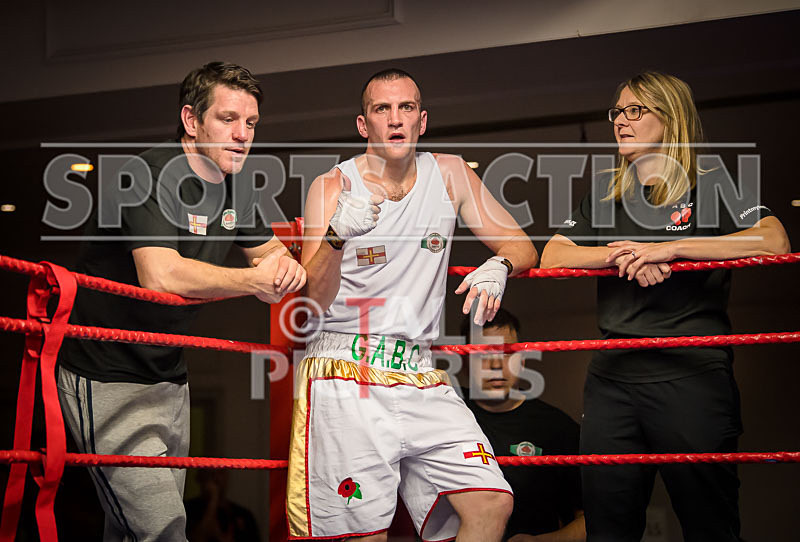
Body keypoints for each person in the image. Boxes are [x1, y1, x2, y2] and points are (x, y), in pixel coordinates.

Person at [57, 62, 306, 542]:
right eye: (228, 119)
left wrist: (286, 265)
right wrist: (254, 279)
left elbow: (272, 255)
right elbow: (161, 275)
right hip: (104, 370)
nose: (242, 135)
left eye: (251, 123)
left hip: (169, 374)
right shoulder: (146, 175)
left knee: (132, 531)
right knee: (162, 529)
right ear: (191, 120)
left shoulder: (238, 186)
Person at [287, 68, 538, 541]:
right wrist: (337, 236)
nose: (395, 119)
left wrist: (500, 265)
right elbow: (311, 304)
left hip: (420, 371)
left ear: (422, 120)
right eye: (382, 109)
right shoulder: (332, 187)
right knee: (364, 535)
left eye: (406, 108)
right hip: (346, 368)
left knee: (491, 502)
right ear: (363, 124)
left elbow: (522, 245)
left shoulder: (451, 174)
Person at [540, 71, 790, 542]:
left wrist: (672, 250)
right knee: (607, 529)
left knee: (710, 526)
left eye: (635, 111)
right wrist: (624, 254)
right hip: (613, 379)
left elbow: (775, 240)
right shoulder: (606, 191)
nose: (621, 121)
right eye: (617, 112)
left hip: (691, 373)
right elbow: (553, 255)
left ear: (671, 118)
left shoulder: (712, 181)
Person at [460, 309, 585, 542]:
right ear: (465, 362)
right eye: (484, 353)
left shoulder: (556, 427)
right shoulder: (448, 415)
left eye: (507, 353)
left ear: (523, 360)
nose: (496, 365)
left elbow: (592, 520)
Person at [185, 469, 262, 542]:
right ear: (199, 477)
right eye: (210, 474)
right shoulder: (188, 509)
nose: (216, 479)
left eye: (220, 472)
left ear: (226, 476)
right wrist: (213, 501)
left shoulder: (243, 514)